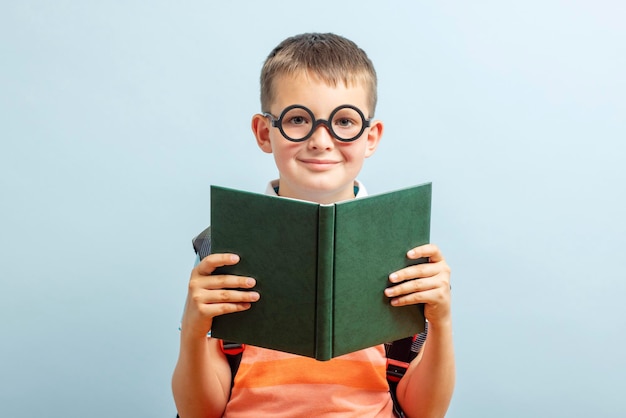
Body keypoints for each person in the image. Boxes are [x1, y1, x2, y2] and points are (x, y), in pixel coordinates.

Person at [172, 32, 455, 418]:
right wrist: (192, 329)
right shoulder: (223, 244)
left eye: (344, 121)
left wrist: (441, 324)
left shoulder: (403, 246)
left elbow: (425, 411)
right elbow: (199, 411)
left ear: (370, 137)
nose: (322, 140)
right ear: (263, 132)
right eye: (298, 119)